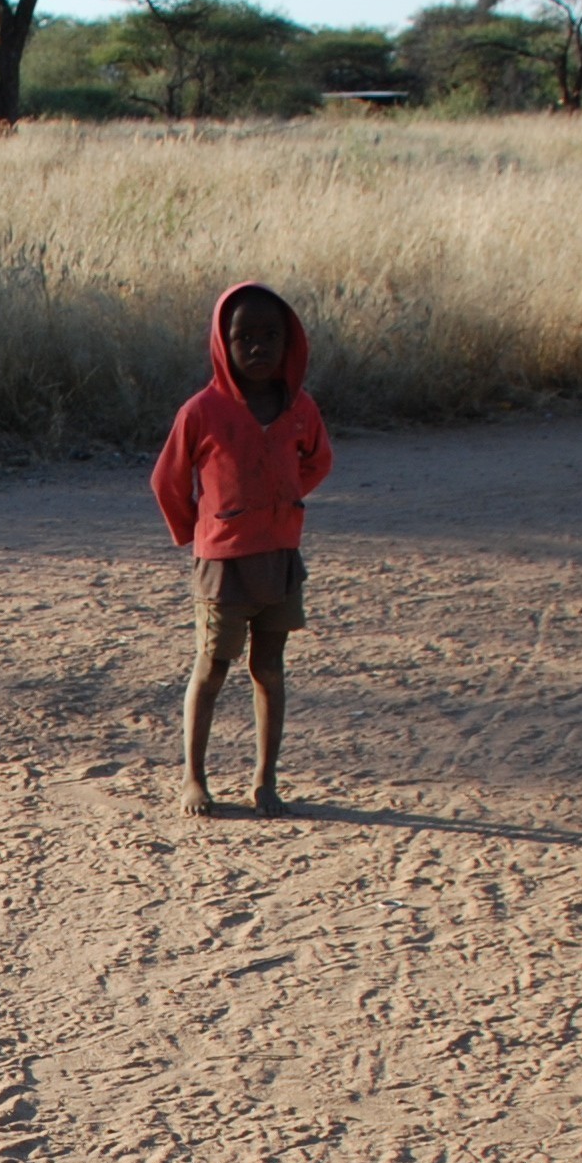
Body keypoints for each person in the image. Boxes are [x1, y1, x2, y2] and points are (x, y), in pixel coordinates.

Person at [150, 280, 332, 820]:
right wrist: (202, 530)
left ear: (290, 342)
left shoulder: (299, 409)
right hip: (223, 565)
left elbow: (317, 461)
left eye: (270, 336)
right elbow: (167, 480)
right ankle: (194, 777)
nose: (257, 347)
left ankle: (264, 780)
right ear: (221, 343)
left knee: (269, 668)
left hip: (279, 557)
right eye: (243, 336)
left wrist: (283, 504)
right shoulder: (202, 411)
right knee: (212, 666)